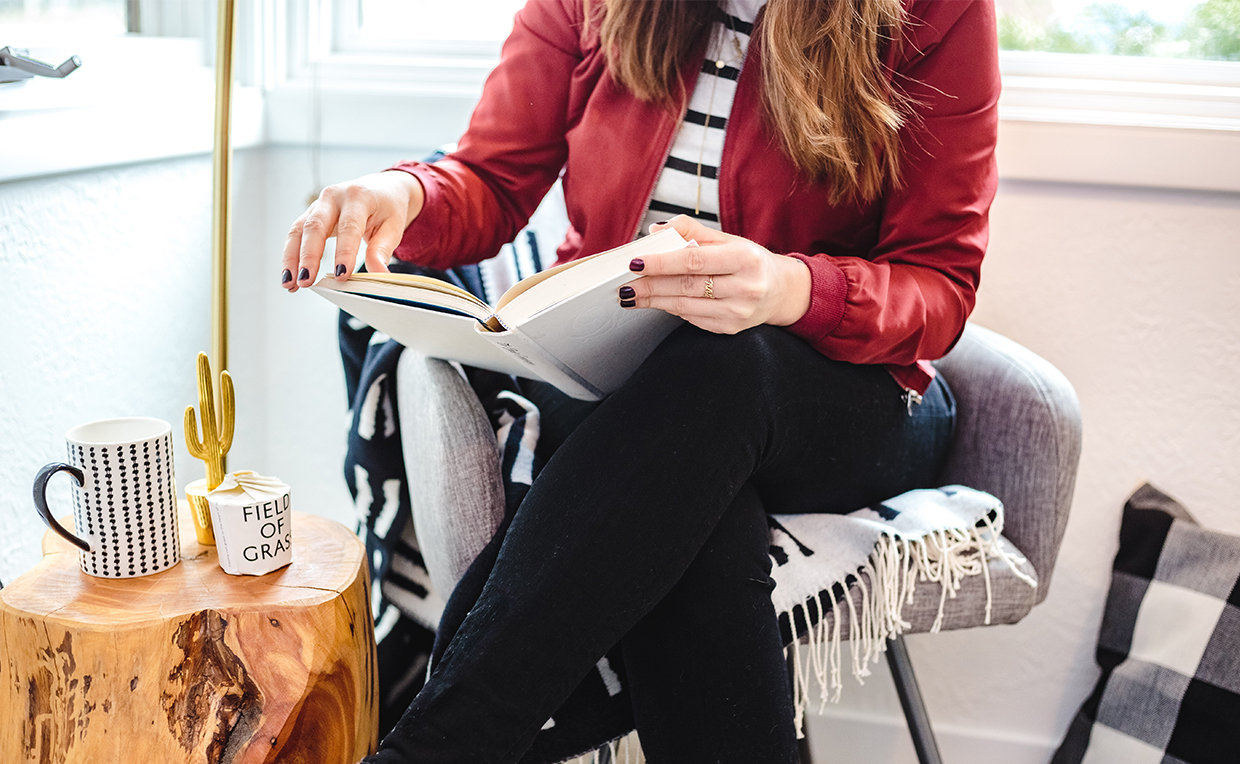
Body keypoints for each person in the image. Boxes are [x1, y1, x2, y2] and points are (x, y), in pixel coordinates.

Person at [281, 0, 999, 761]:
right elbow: (492, 177)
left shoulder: (936, 10)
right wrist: (405, 195)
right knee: (697, 525)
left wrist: (787, 288)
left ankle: (440, 744)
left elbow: (939, 283)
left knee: (721, 364)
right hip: (630, 404)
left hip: (843, 396)